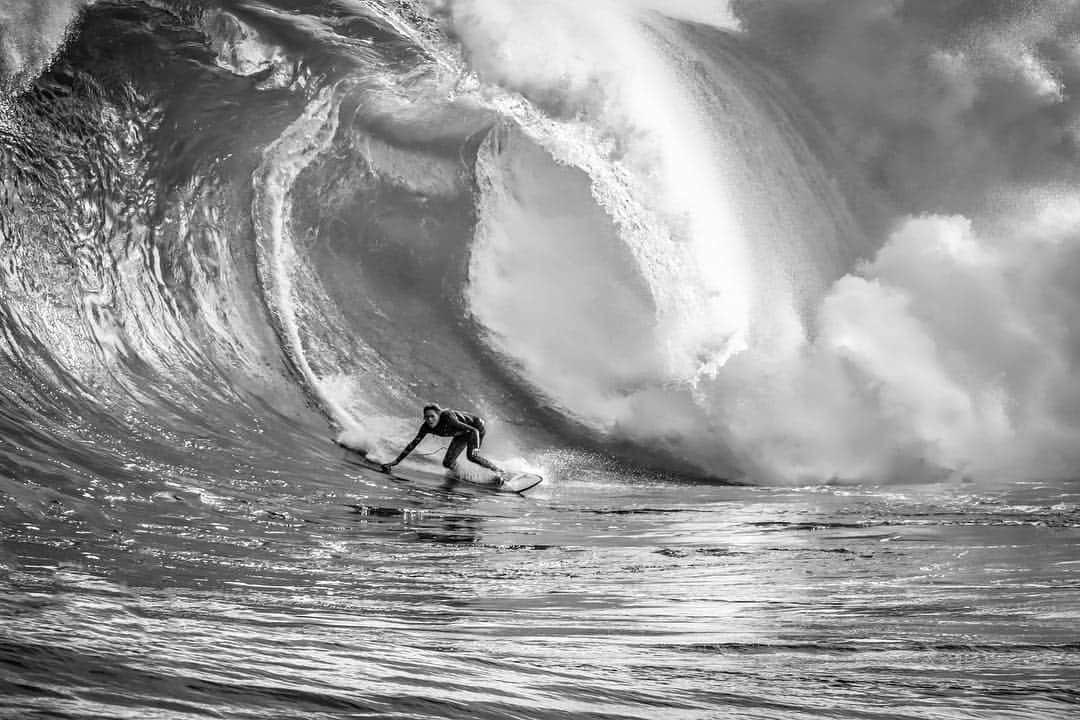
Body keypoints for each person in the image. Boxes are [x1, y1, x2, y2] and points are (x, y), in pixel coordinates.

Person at [382, 404, 503, 477]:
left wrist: (475, 450)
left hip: (476, 427)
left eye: (432, 416)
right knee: (447, 463)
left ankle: (498, 472)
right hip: (462, 433)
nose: (429, 420)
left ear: (438, 416)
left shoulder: (448, 418)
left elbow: (474, 431)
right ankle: (463, 475)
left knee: (471, 456)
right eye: (426, 417)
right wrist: (395, 462)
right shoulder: (425, 427)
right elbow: (412, 445)